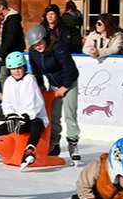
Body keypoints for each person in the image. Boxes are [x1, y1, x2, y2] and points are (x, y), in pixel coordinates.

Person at [26, 22, 82, 161]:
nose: (37, 47)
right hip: (54, 85)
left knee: (70, 114)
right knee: (53, 116)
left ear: (45, 38)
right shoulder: (34, 53)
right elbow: (36, 71)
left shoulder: (58, 47)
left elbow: (69, 68)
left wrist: (66, 86)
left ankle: (73, 143)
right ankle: (54, 141)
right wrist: (40, 86)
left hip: (69, 84)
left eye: (39, 43)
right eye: (34, 45)